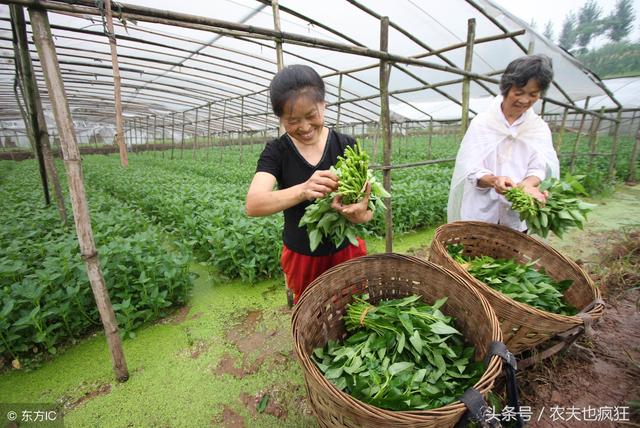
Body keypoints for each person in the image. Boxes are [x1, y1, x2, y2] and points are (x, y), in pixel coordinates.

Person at [245, 64, 372, 304]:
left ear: (324, 105)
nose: (304, 127)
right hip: (303, 256)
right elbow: (253, 204)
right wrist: (303, 189)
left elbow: (368, 211)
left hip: (347, 250)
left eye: (312, 116)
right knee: (311, 311)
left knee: (353, 306)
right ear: (280, 118)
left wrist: (359, 215)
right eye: (292, 121)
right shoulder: (277, 152)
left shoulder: (346, 145)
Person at [447, 54, 560, 232]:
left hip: (516, 216)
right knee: (473, 257)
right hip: (480, 214)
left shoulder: (538, 128)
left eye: (533, 94)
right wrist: (494, 180)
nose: (524, 100)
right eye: (519, 92)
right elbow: (470, 168)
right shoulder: (483, 123)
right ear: (506, 88)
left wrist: (527, 185)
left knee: (512, 257)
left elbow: (538, 169)